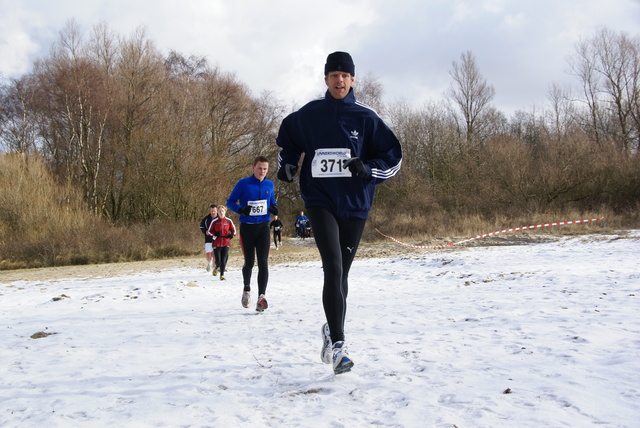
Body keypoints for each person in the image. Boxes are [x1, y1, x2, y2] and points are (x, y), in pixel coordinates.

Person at [276, 51, 402, 374]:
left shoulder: (365, 117)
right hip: (320, 202)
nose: (339, 81)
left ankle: (330, 329)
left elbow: (393, 158)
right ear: (326, 79)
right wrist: (288, 165)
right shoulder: (310, 115)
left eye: (345, 76)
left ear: (353, 80)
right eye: (334, 76)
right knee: (332, 266)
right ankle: (339, 346)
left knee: (341, 274)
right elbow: (287, 140)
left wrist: (369, 168)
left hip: (355, 205)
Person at [226, 156, 278, 311]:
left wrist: (275, 208)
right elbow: (230, 202)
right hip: (247, 228)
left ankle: (261, 297)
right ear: (253, 168)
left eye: (265, 169)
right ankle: (246, 290)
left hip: (263, 227)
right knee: (249, 262)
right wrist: (240, 209)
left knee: (263, 261)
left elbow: (272, 202)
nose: (262, 171)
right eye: (260, 168)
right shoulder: (243, 183)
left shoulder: (270, 184)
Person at [207, 205, 236, 280]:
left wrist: (232, 234)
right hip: (217, 243)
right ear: (217, 212)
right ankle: (217, 267)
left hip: (226, 242)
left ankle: (222, 275)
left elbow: (234, 230)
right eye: (219, 211)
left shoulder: (229, 221)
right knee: (218, 260)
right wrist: (214, 234)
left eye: (222, 211)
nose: (221, 212)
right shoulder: (214, 221)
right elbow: (209, 231)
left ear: (225, 212)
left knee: (224, 260)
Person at [199, 204, 219, 272]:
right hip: (208, 239)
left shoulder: (220, 218)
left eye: (214, 211)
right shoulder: (206, 219)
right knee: (208, 253)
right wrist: (205, 231)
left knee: (216, 253)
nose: (213, 212)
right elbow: (201, 226)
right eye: (211, 211)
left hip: (217, 239)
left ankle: (215, 267)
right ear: (210, 211)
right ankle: (209, 263)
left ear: (217, 211)